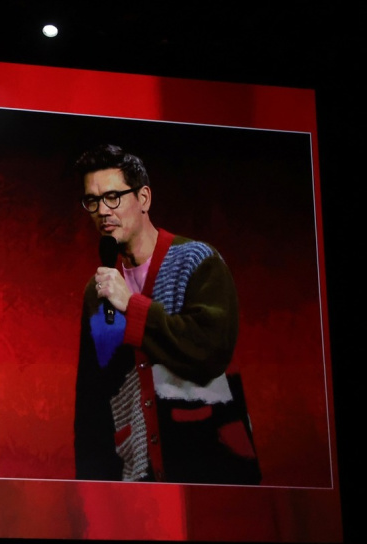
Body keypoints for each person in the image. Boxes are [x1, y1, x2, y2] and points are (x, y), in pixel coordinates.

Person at [73, 144, 260, 485]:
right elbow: (93, 403)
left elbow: (209, 350)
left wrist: (132, 304)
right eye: (92, 201)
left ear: (144, 198)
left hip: (214, 471)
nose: (102, 210)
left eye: (113, 196)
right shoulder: (97, 291)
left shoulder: (197, 261)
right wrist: (92, 488)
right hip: (138, 483)